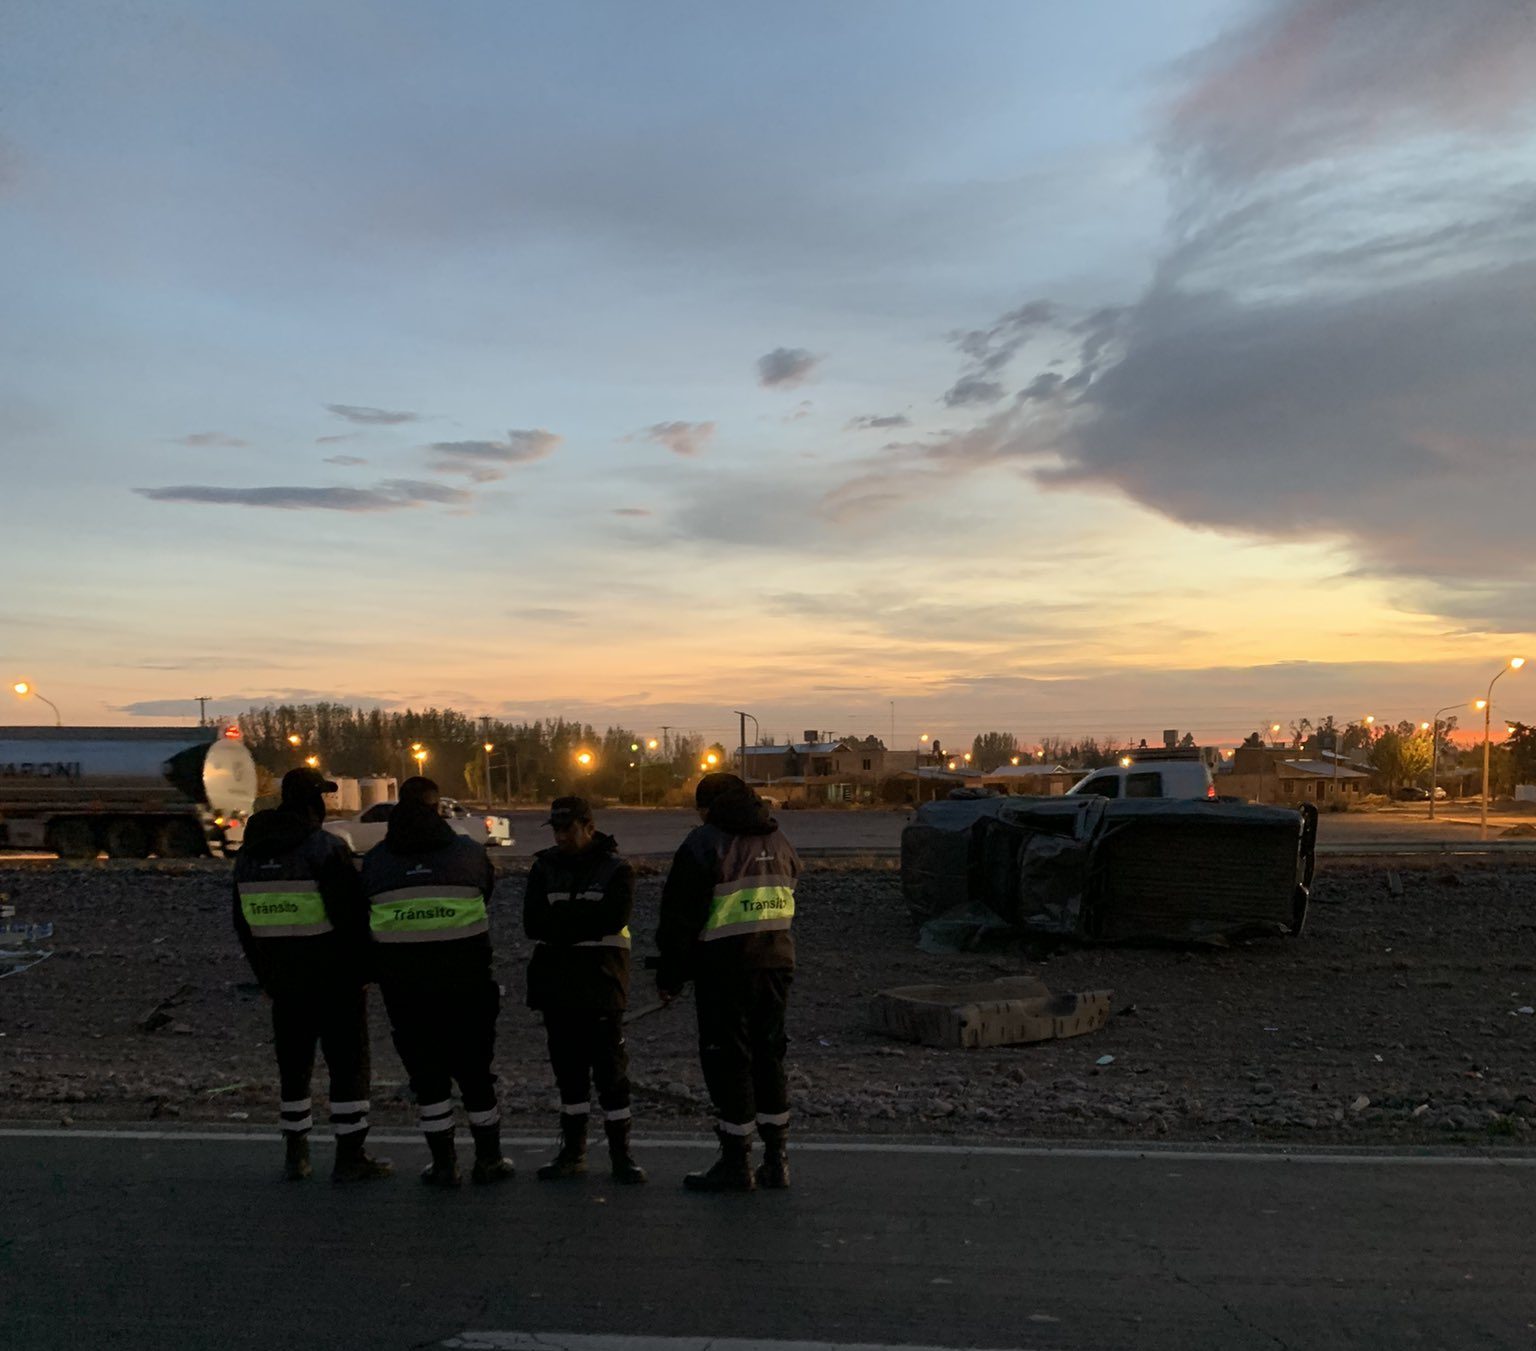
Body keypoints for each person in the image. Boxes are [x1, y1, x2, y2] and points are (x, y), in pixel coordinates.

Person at [232, 767, 391, 1184]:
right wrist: (365, 971)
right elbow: (353, 918)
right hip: (335, 981)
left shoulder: (248, 856)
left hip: (284, 983)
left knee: (294, 1068)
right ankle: (350, 1155)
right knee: (348, 1066)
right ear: (312, 802)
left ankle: (296, 1154)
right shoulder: (324, 849)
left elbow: (243, 923)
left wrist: (265, 975)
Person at [360, 776, 513, 1187]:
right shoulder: (467, 853)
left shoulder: (376, 861)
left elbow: (365, 917)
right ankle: (489, 1159)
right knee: (476, 1074)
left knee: (428, 1080)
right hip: (466, 985)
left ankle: (444, 1164)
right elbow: (486, 893)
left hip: (406, 993)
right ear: (436, 807)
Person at [655, 772, 801, 1191]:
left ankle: (737, 1164)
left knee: (729, 1062)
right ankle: (777, 1160)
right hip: (775, 964)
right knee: (769, 1057)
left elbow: (679, 919)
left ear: (708, 807)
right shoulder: (779, 840)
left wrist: (671, 975)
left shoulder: (704, 845)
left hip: (724, 971)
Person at [523, 796, 645, 1184]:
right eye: (556, 830)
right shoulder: (544, 868)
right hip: (558, 988)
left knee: (611, 1074)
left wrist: (561, 926)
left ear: (588, 828)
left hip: (601, 985)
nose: (560, 837)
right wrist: (580, 924)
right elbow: (532, 923)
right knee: (569, 1074)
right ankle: (573, 1153)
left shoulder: (616, 869)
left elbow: (614, 918)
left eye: (567, 829)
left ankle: (621, 1156)